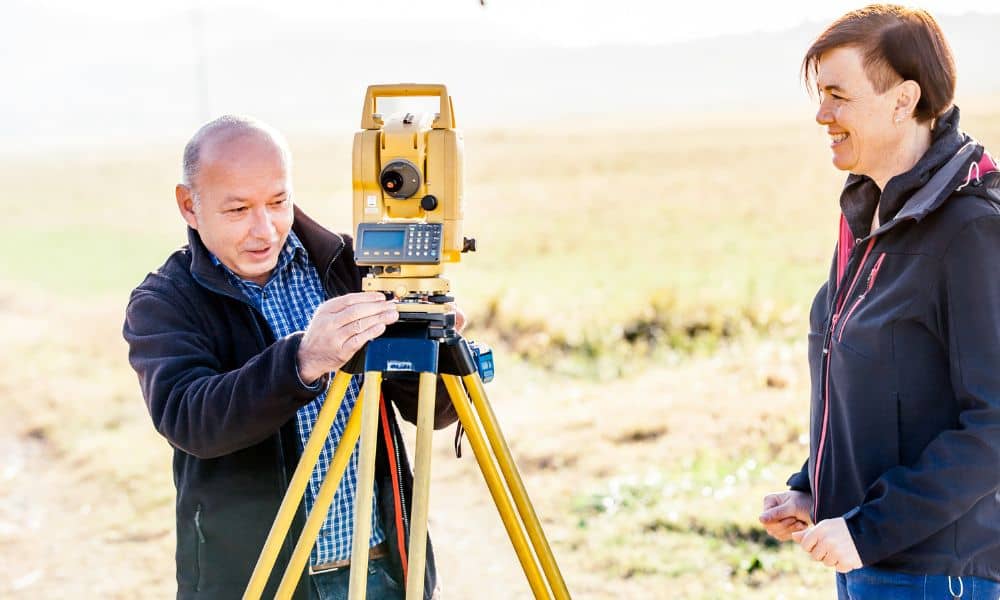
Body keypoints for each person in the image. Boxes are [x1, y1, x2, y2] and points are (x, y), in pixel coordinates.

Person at [123, 115, 459, 600]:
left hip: (384, 570)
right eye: (237, 210)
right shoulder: (165, 301)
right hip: (258, 582)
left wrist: (434, 348)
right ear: (189, 205)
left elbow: (436, 414)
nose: (264, 228)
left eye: (278, 202)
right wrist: (301, 361)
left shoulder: (348, 265)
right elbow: (190, 418)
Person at [758, 5, 1000, 599]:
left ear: (903, 100)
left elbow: (994, 424)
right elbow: (882, 396)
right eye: (820, 95)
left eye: (838, 95)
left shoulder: (970, 230)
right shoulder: (871, 219)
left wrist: (868, 530)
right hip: (869, 564)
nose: (822, 114)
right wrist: (815, 488)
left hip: (935, 579)